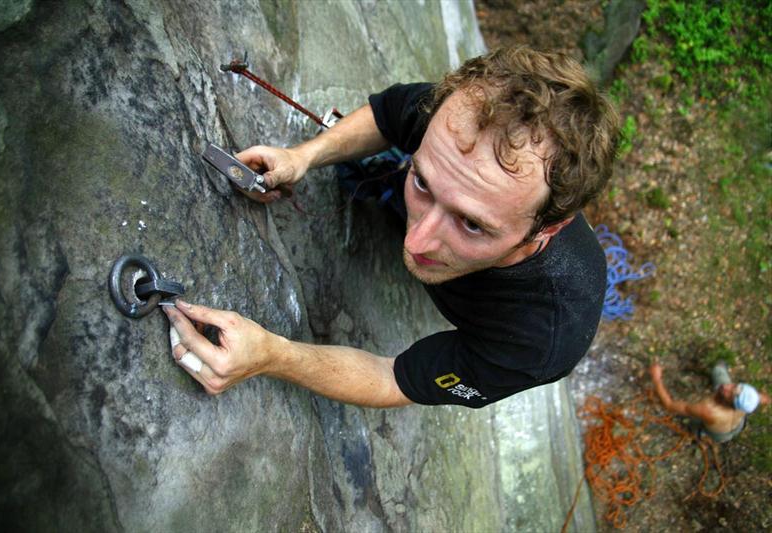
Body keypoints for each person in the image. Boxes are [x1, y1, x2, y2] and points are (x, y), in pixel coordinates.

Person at [164, 46, 620, 408]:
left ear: (546, 230)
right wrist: (302, 156)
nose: (417, 242)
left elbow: (393, 378)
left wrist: (270, 355)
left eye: (472, 224)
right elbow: (387, 116)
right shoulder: (465, 120)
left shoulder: (540, 341)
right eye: (421, 180)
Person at [649, 362, 769, 443]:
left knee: (692, 422)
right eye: (734, 386)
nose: (726, 387)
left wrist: (657, 379)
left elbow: (669, 405)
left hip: (720, 435)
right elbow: (762, 398)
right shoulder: (750, 399)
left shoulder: (707, 410)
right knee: (718, 370)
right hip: (738, 425)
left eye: (730, 395)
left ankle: (699, 432)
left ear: (732, 404)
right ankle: (719, 368)